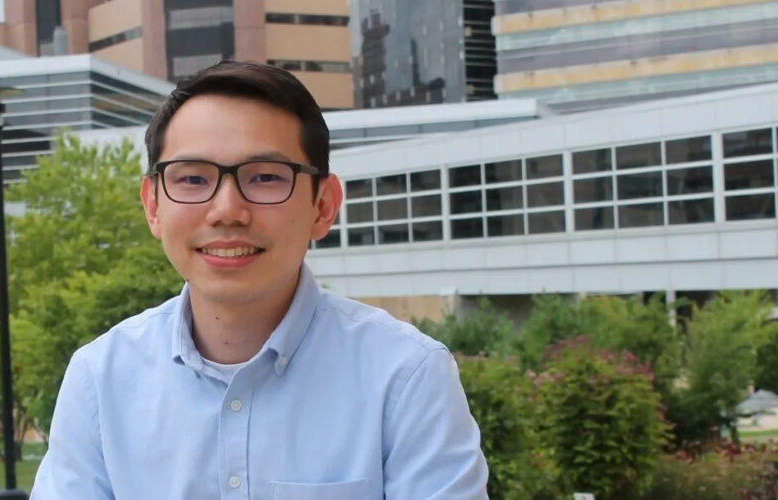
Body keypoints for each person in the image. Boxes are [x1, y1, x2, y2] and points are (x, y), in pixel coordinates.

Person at [31, 61, 489, 499]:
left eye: (266, 177)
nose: (228, 210)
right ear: (153, 205)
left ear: (323, 206)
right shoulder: (100, 379)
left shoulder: (405, 377)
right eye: (192, 178)